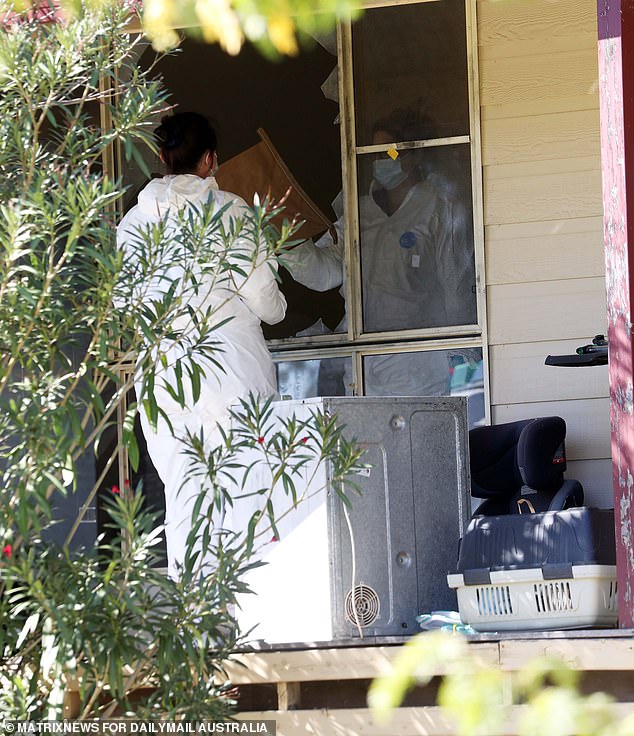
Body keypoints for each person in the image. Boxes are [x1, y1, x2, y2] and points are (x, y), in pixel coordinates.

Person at [116, 112, 287, 579]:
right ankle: (256, 621)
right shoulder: (231, 213)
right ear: (211, 160)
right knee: (249, 491)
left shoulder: (133, 225)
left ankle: (194, 622)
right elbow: (269, 306)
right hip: (232, 374)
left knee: (186, 495)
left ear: (160, 157)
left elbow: (126, 308)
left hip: (165, 379)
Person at [284, 108, 476, 397]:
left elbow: (457, 288)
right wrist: (287, 238)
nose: (380, 161)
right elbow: (323, 274)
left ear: (415, 156)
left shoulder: (439, 209)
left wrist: (468, 359)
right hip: (362, 370)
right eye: (374, 153)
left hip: (419, 370)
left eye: (390, 152)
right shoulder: (357, 213)